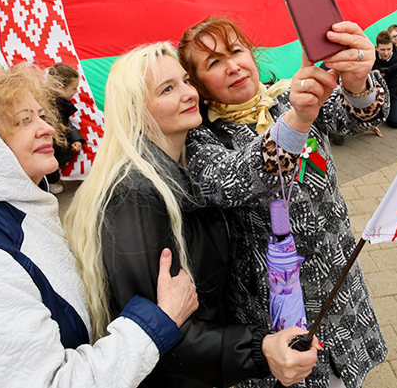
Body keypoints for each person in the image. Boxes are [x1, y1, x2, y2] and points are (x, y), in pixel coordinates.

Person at [0, 65, 197, 388]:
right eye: (23, 121)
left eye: (42, 116)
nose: (46, 128)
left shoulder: (9, 204)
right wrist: (156, 322)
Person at [64, 43, 319, 388]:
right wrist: (259, 351)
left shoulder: (176, 168)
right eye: (167, 89)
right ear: (135, 110)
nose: (188, 93)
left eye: (185, 80)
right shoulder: (136, 196)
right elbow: (155, 328)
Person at [178, 17, 389, 388]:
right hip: (274, 304)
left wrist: (357, 83)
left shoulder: (285, 96)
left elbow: (356, 118)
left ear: (252, 54)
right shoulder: (200, 139)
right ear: (198, 85)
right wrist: (297, 120)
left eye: (236, 51)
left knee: (349, 376)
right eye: (213, 63)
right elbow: (230, 180)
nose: (232, 66)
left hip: (339, 283)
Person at [43, 63, 86, 193]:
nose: (76, 91)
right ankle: (47, 181)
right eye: (74, 88)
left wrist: (75, 138)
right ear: (61, 88)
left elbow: (64, 123)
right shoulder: (51, 106)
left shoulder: (56, 100)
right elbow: (62, 125)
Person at [372, 30, 397, 129]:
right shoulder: (370, 58)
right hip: (371, 92)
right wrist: (372, 74)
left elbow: (394, 88)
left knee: (395, 122)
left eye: (389, 49)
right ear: (376, 48)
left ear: (393, 47)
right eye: (382, 50)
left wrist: (381, 103)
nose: (386, 53)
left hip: (391, 93)